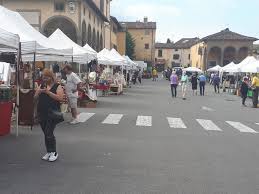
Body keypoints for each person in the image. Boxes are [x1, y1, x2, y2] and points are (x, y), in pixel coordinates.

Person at [35, 69, 64, 162]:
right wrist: (39, 91)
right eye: (43, 77)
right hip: (42, 112)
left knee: (49, 132)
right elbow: (35, 97)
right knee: (45, 133)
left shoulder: (57, 86)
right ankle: (49, 151)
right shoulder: (42, 85)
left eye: (46, 77)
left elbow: (60, 98)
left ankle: (54, 152)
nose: (44, 79)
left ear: (51, 77)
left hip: (52, 113)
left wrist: (48, 92)